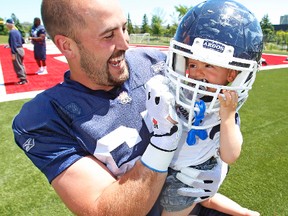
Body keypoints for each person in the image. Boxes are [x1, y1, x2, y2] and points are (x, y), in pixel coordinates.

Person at [12, 0, 229, 215]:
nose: (126, 43)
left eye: (124, 29)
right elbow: (103, 210)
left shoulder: (155, 62)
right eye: (109, 35)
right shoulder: (47, 116)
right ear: (67, 45)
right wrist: (163, 144)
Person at [157, 0, 263, 215]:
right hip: (173, 164)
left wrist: (227, 117)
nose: (197, 73)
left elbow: (230, 155)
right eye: (193, 64)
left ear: (232, 75)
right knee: (207, 199)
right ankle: (244, 212)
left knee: (179, 200)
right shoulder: (181, 92)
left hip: (194, 171)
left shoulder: (223, 107)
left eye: (209, 66)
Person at [6, 18, 28, 85]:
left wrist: (13, 53)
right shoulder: (17, 31)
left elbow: (13, 43)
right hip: (21, 49)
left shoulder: (12, 32)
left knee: (18, 65)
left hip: (16, 50)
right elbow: (22, 41)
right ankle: (24, 78)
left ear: (9, 24)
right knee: (21, 64)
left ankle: (23, 79)